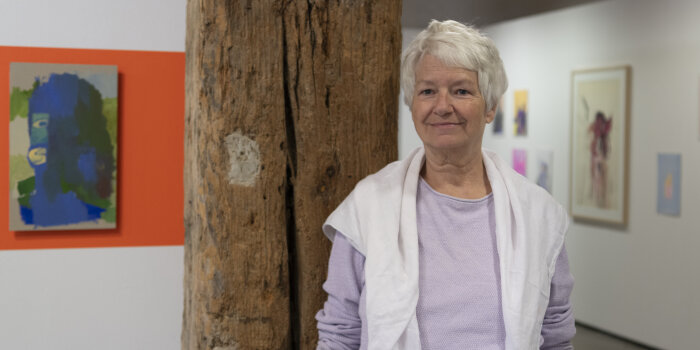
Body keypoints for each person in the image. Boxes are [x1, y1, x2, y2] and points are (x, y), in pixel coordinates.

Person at [316, 20, 575, 350]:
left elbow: (555, 333)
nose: (442, 106)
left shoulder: (538, 214)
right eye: (427, 91)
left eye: (461, 90)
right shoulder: (369, 206)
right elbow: (340, 333)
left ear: (490, 107)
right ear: (413, 106)